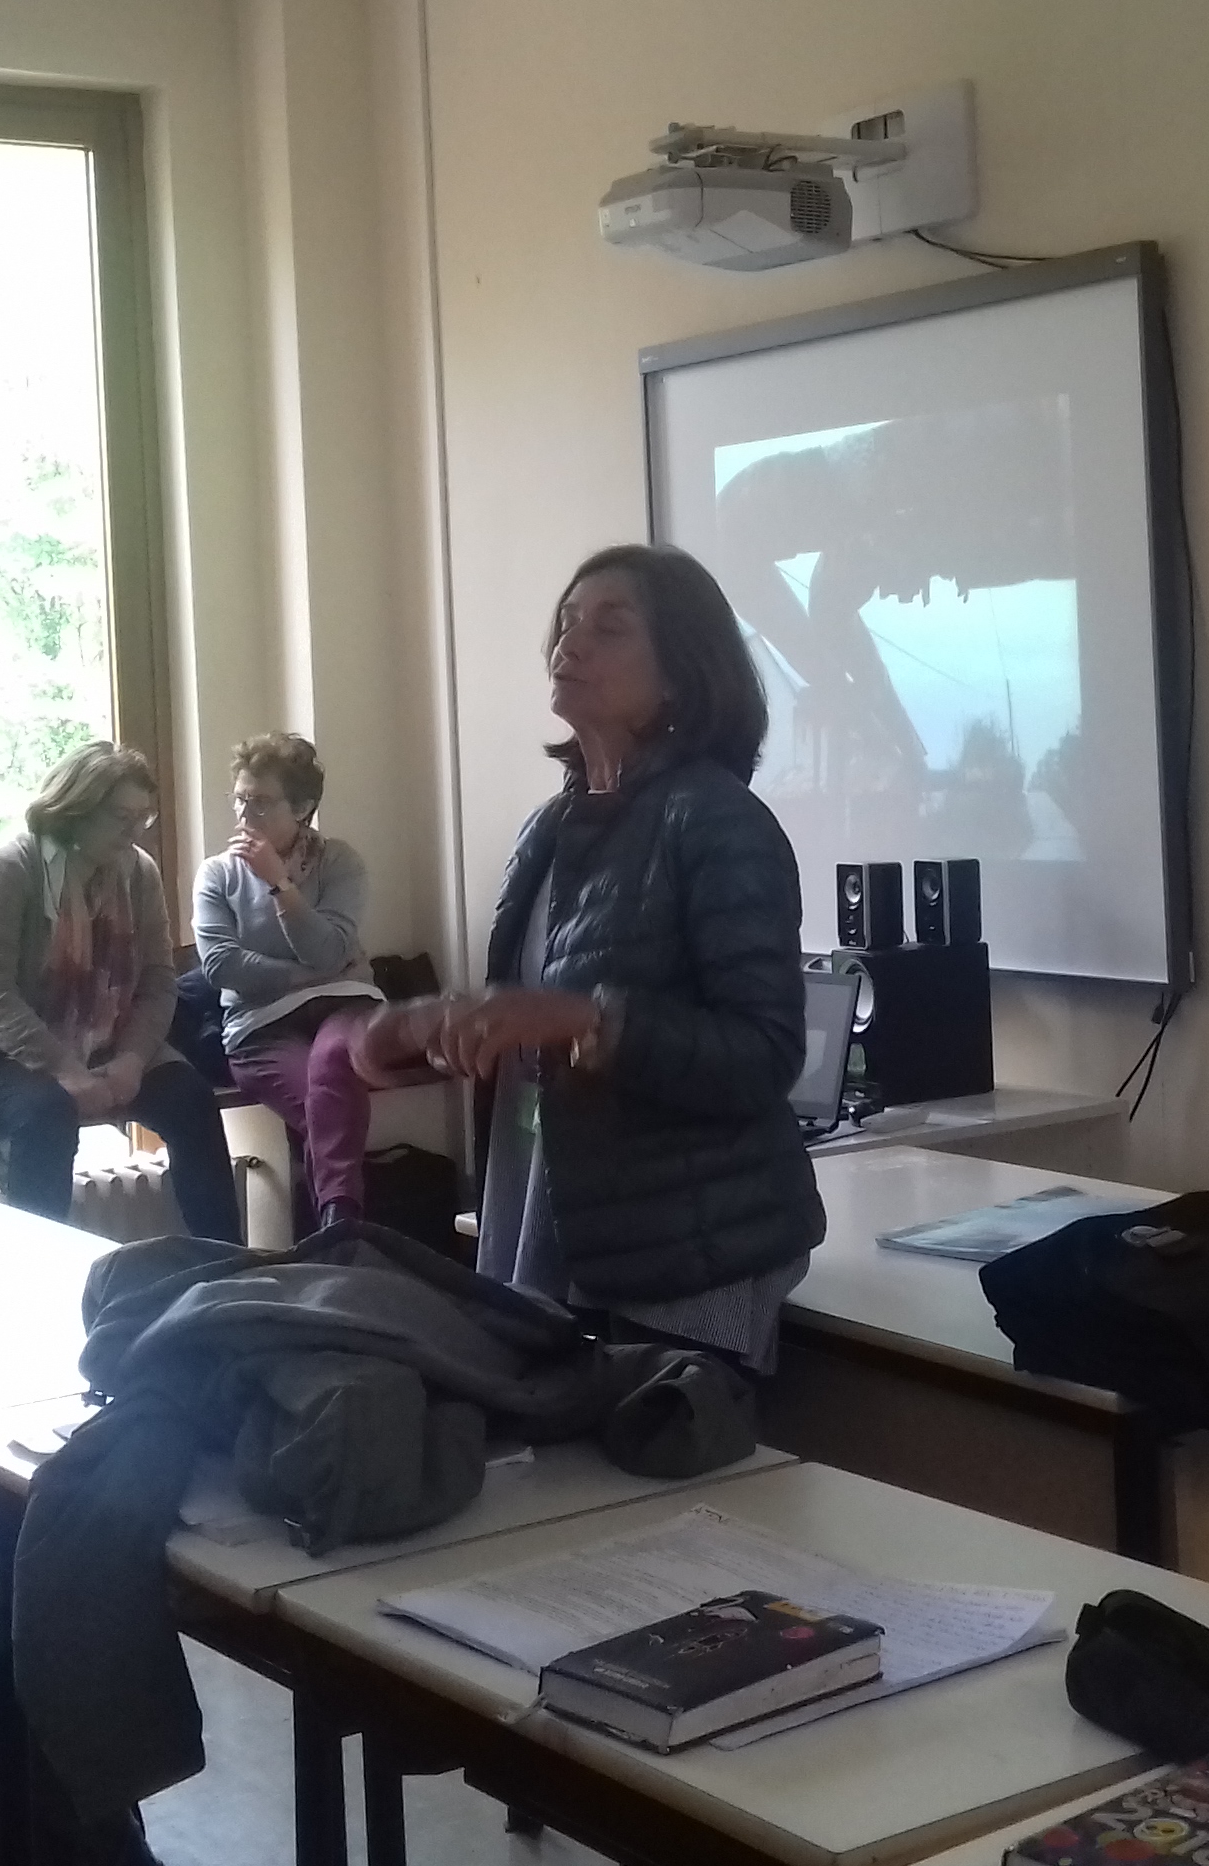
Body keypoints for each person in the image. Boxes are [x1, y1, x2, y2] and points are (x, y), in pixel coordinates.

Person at [360, 542, 822, 1374]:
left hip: (686, 1250)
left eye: (609, 627)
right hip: (549, 1219)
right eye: (568, 622)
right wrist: (433, 1028)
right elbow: (531, 1019)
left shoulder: (719, 821)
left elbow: (764, 1053)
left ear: (680, 673)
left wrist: (587, 1021)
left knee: (667, 1460)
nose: (571, 643)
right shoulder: (549, 827)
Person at [0, 742, 242, 1241]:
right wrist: (64, 1068)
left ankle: (225, 1266)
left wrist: (132, 1058)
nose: (135, 832)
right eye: (121, 818)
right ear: (75, 809)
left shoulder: (139, 872)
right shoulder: (7, 868)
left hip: (115, 1042)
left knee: (192, 1099)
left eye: (142, 818)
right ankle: (40, 1266)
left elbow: (158, 980)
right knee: (46, 1116)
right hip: (15, 1053)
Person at [192, 733, 387, 1224]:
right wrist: (309, 974)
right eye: (239, 798)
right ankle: (344, 1227)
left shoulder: (340, 861)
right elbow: (221, 967)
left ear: (302, 808)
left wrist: (280, 883)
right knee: (326, 1102)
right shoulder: (217, 875)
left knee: (333, 1068)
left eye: (260, 802)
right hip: (260, 1025)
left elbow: (329, 950)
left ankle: (337, 1231)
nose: (244, 814)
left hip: (345, 1005)